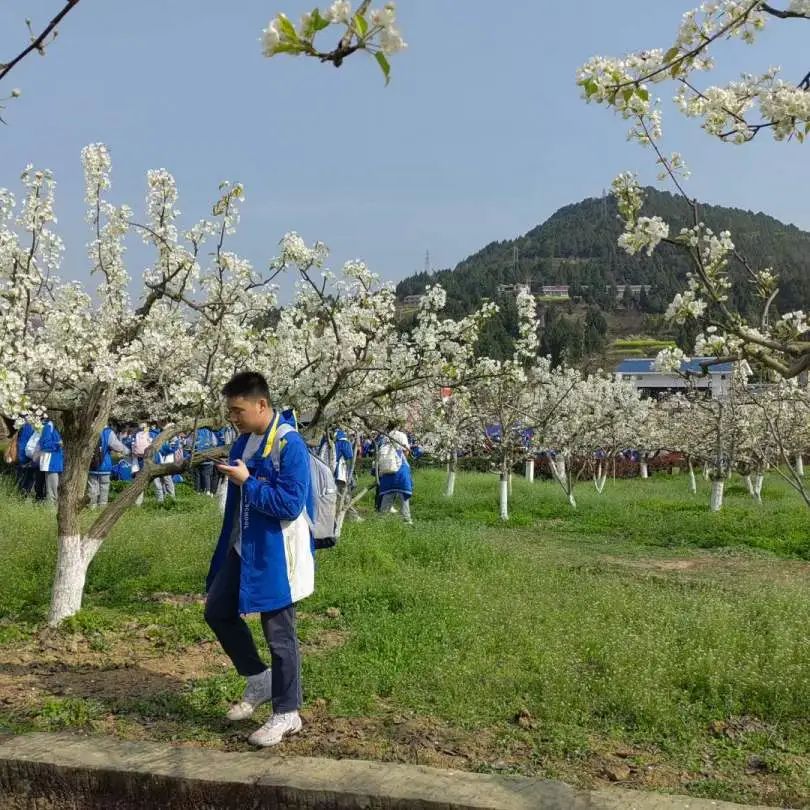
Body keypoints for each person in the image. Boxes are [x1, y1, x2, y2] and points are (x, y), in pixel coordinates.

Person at [205, 371, 315, 748]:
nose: (233, 418)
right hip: (243, 547)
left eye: (238, 410)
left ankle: (287, 712)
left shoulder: (289, 445)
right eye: (230, 412)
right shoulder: (243, 443)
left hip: (276, 553)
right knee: (217, 610)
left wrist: (247, 482)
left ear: (261, 405)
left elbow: (289, 504)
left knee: (279, 633)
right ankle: (258, 677)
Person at [376, 428, 413, 524]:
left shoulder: (385, 437)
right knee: (404, 498)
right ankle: (406, 520)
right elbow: (406, 451)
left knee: (387, 496)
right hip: (401, 470)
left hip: (387, 470)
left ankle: (381, 521)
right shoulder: (402, 435)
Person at [88, 425, 129, 508]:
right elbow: (117, 446)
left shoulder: (89, 430)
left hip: (91, 465)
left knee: (92, 486)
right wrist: (127, 451)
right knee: (104, 486)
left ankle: (92, 506)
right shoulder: (107, 432)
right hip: (105, 465)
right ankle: (102, 506)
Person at [38, 418, 64, 505]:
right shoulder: (48, 427)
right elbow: (44, 445)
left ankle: (54, 510)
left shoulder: (54, 427)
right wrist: (58, 443)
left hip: (56, 462)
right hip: (51, 463)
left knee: (55, 489)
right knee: (52, 490)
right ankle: (51, 512)